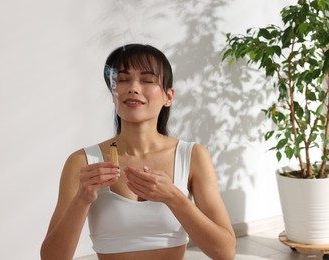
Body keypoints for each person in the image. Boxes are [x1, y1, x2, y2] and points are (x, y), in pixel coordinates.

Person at [40, 44, 236, 260]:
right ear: (114, 94)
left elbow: (225, 252)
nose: (133, 87)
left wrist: (174, 197)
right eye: (123, 80)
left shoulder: (192, 156)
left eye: (147, 80)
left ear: (168, 96)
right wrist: (81, 200)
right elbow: (51, 258)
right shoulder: (82, 162)